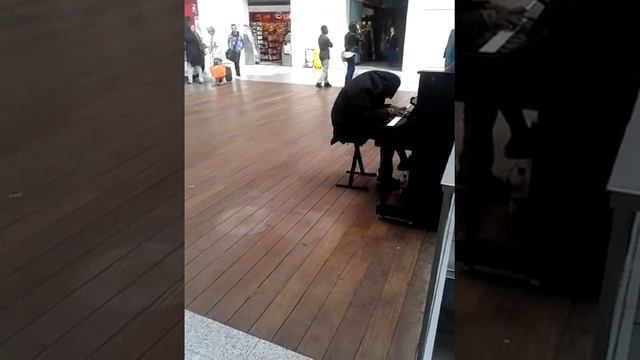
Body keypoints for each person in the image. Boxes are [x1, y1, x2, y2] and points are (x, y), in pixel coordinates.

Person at [330, 71, 409, 187]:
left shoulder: (372, 83)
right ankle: (385, 177)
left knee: (391, 132)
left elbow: (370, 107)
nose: (387, 96)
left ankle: (402, 162)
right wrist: (387, 111)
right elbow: (364, 117)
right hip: (346, 126)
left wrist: (388, 108)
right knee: (388, 136)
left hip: (353, 120)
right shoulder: (363, 89)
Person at [185, 20, 205, 84]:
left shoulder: (186, 34)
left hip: (190, 52)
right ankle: (201, 79)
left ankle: (190, 80)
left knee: (190, 67)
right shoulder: (195, 34)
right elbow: (199, 42)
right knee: (198, 66)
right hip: (197, 52)